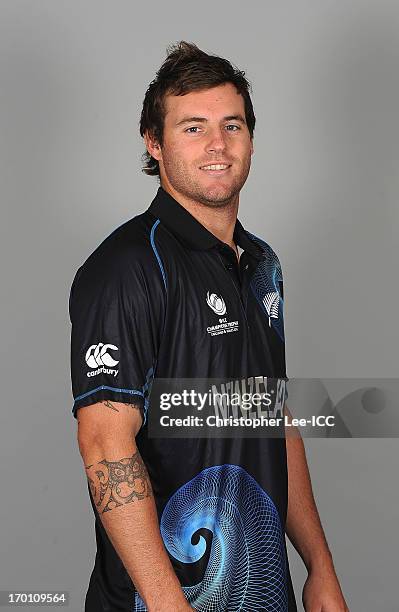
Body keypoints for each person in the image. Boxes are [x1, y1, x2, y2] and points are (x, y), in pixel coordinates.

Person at [69, 41, 349, 612]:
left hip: (261, 595)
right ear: (154, 142)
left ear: (250, 138)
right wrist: (169, 603)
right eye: (193, 127)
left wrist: (319, 564)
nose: (217, 144)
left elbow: (273, 417)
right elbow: (104, 443)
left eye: (232, 125)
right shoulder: (127, 267)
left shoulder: (263, 263)